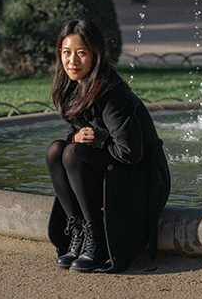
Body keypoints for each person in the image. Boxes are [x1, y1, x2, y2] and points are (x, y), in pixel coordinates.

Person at [45, 18, 171, 274]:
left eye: (81, 53)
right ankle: (79, 230)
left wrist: (95, 140)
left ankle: (98, 239)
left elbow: (130, 152)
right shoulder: (73, 87)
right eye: (66, 53)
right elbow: (78, 135)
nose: (72, 61)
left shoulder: (111, 93)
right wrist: (77, 139)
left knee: (73, 154)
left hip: (142, 176)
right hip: (117, 168)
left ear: (96, 55)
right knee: (57, 150)